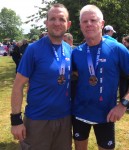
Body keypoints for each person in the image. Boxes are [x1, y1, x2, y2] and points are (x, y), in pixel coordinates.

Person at [71, 4, 129, 150]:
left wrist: (123, 104)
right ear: (80, 25)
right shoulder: (77, 52)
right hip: (79, 113)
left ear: (102, 24)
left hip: (106, 114)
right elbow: (72, 76)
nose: (89, 24)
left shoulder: (116, 48)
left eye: (93, 20)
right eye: (85, 21)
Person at [10, 3, 72, 150]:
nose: (57, 23)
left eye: (61, 19)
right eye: (53, 19)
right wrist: (16, 120)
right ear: (46, 23)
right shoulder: (33, 49)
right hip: (38, 120)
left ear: (68, 24)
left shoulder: (69, 49)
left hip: (64, 119)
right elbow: (18, 86)